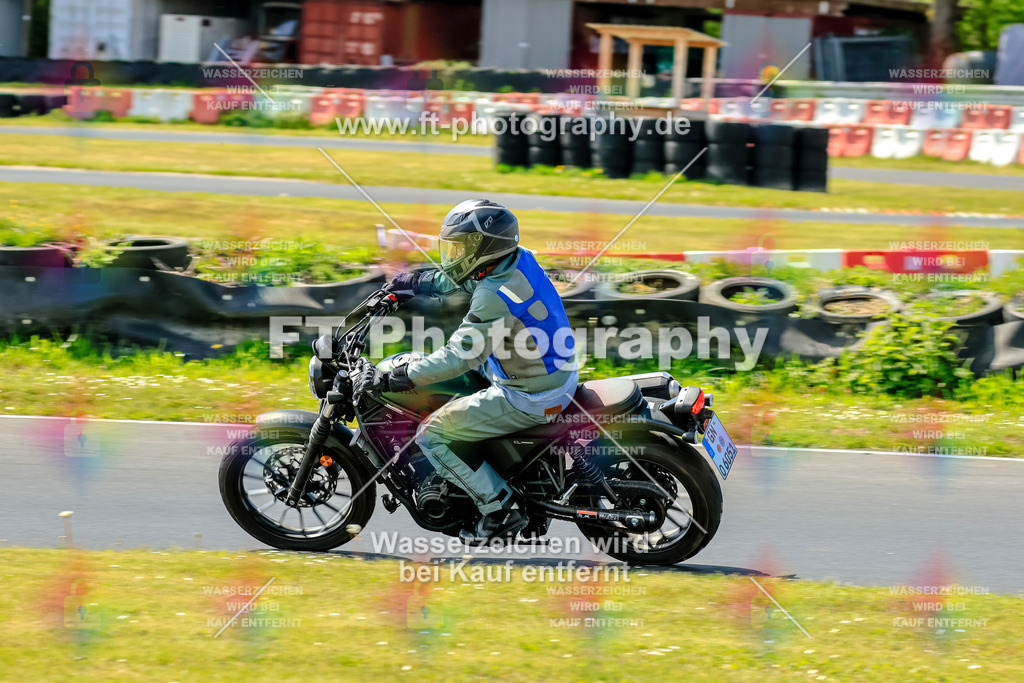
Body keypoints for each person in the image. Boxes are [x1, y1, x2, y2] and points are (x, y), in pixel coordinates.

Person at [353, 199, 578, 542]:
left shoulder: (494, 295)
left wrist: (398, 376)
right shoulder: (518, 260)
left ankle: (500, 508)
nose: (454, 255)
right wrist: (414, 283)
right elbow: (467, 278)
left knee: (433, 434)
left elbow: (460, 356)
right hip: (542, 369)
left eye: (462, 247)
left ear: (484, 247)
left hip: (531, 393)